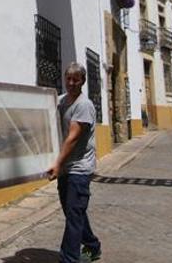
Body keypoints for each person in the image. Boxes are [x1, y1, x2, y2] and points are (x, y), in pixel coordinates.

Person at [47, 63, 102, 263]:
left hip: (79, 169)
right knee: (74, 211)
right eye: (68, 79)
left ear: (82, 81)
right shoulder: (61, 101)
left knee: (74, 213)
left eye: (75, 79)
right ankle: (93, 246)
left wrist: (58, 163)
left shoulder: (84, 105)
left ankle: (69, 259)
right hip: (66, 168)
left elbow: (72, 138)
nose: (71, 83)